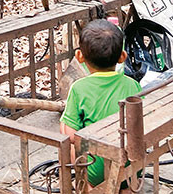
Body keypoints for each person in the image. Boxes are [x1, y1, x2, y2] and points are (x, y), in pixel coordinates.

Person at [60, 20, 142, 188]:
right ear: (122, 57)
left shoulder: (79, 88)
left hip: (97, 171)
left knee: (65, 127)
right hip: (132, 164)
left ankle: (88, 187)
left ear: (79, 57)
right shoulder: (132, 84)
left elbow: (71, 136)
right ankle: (127, 188)